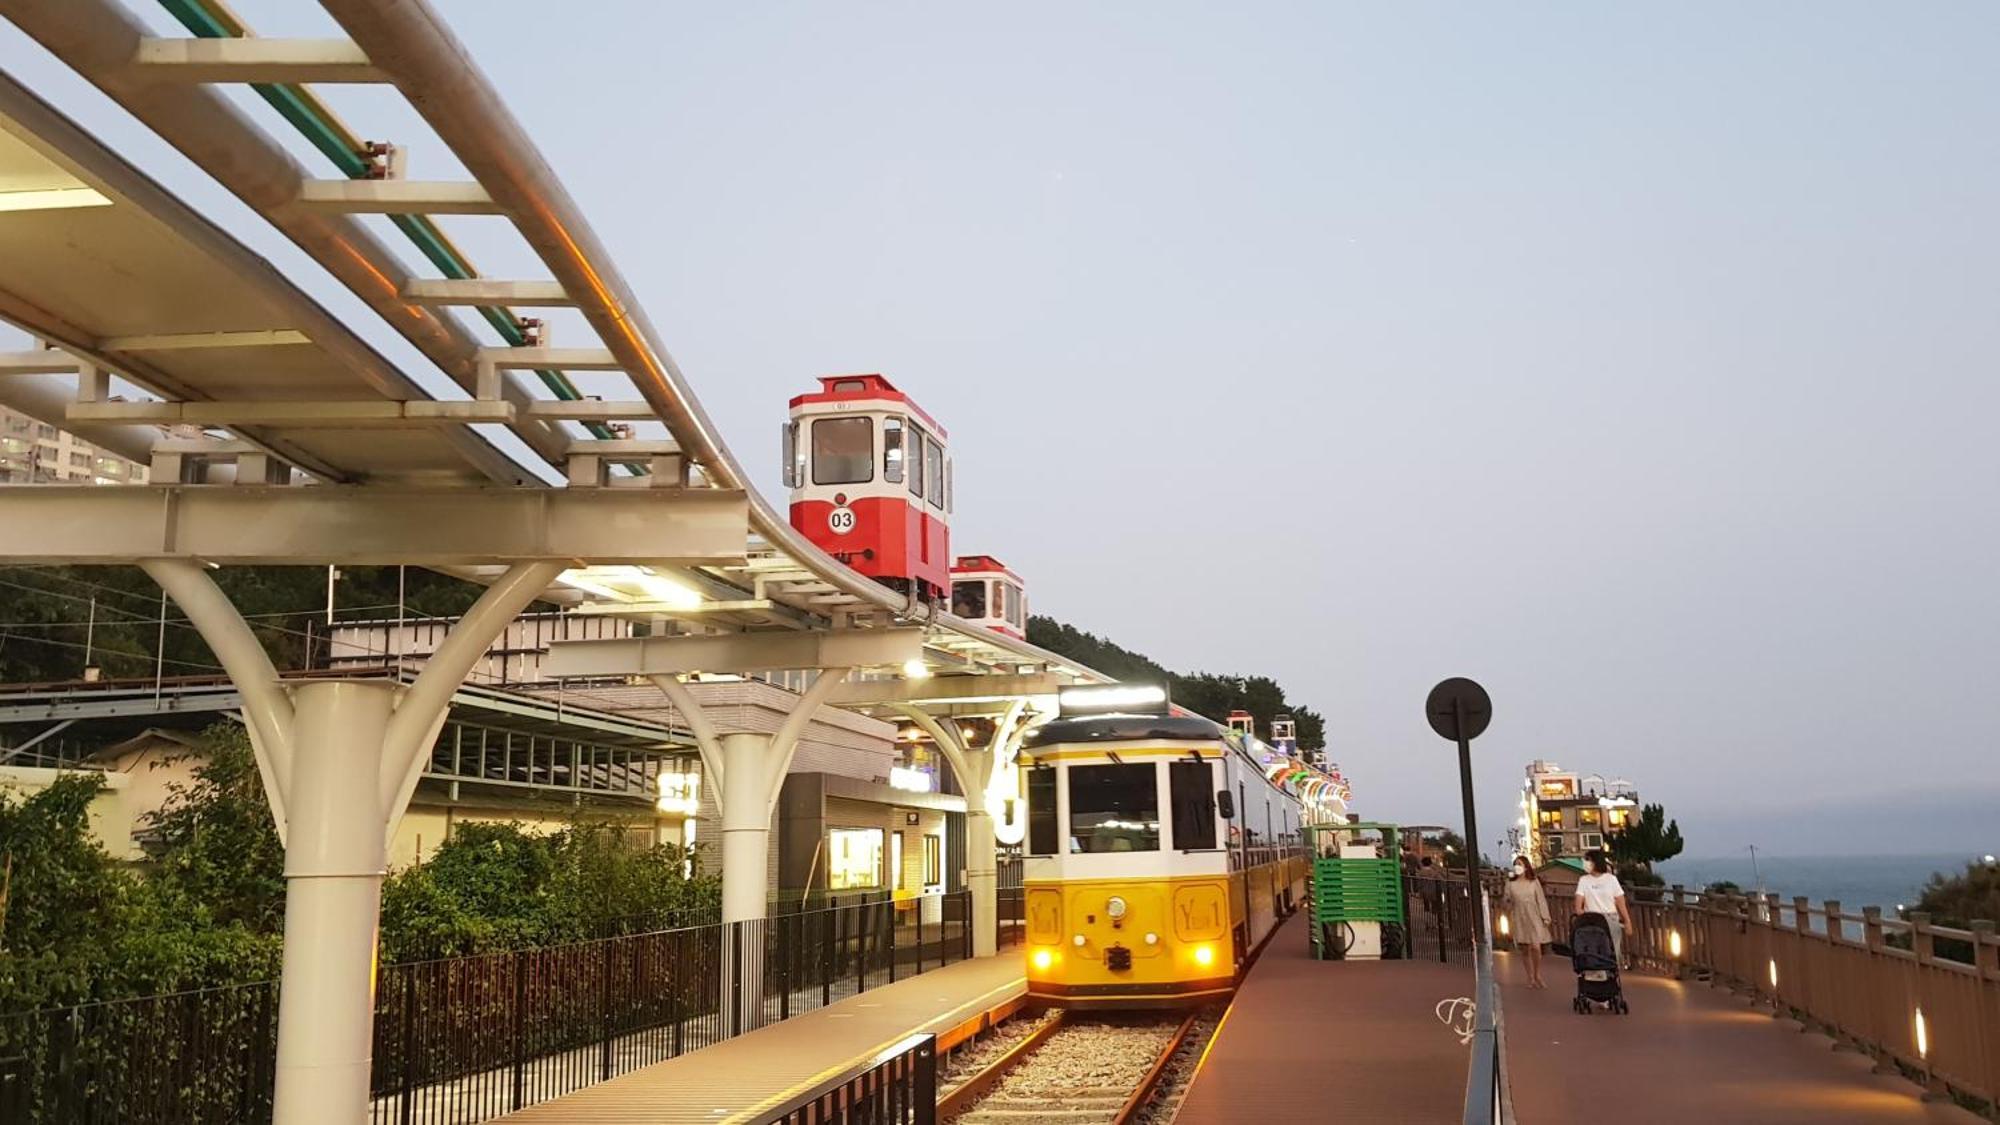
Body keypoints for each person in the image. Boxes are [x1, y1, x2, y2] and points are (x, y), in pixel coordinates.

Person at [1574, 849, 1634, 967]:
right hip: (1591, 920)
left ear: (1596, 862)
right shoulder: (1584, 880)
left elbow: (1620, 901)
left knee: (1611, 952)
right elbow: (1578, 903)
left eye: (1588, 860)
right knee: (1593, 951)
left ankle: (1611, 976)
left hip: (1610, 919)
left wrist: (1627, 921)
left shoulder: (1611, 879)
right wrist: (1582, 915)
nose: (1585, 863)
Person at [1503, 856, 1554, 987]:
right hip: (1519, 916)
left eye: (1519, 864)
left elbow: (1541, 900)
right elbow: (1506, 900)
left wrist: (1545, 917)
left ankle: (1537, 974)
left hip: (1534, 915)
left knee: (1536, 946)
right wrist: (1507, 903)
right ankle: (1530, 977)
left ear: (1526, 866)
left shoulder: (1533, 882)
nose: (1517, 866)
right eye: (1515, 864)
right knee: (1524, 948)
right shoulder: (1510, 883)